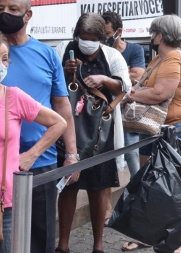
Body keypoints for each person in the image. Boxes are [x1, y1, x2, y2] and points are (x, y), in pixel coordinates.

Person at [0, 0, 77, 253]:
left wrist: (71, 154)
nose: (5, 15)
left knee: (38, 238)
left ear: (28, 15)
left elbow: (62, 108)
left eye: (13, 10)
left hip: (39, 162)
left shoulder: (46, 54)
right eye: (1, 9)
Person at [54, 13, 131, 253]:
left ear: (101, 38)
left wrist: (105, 80)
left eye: (92, 38)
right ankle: (63, 245)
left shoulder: (112, 56)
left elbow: (126, 87)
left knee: (99, 190)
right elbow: (51, 83)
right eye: (82, 38)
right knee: (68, 188)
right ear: (75, 36)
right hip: (68, 133)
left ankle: (98, 246)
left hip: (101, 134)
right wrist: (65, 72)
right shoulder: (62, 50)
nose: (86, 43)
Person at [120, 14, 181, 253]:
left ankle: (173, 245)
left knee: (167, 190)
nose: (151, 36)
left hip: (171, 129)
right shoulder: (161, 58)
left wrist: (130, 95)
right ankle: (148, 236)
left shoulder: (172, 57)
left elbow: (160, 94)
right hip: (153, 129)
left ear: (161, 34)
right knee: (152, 186)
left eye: (154, 32)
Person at [101, 11, 145, 223]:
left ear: (118, 32)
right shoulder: (101, 50)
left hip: (128, 114)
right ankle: (106, 205)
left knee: (132, 155)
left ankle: (139, 199)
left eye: (107, 33)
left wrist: (116, 78)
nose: (103, 37)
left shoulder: (134, 49)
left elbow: (137, 76)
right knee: (107, 157)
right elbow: (121, 80)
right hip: (106, 112)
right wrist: (120, 77)